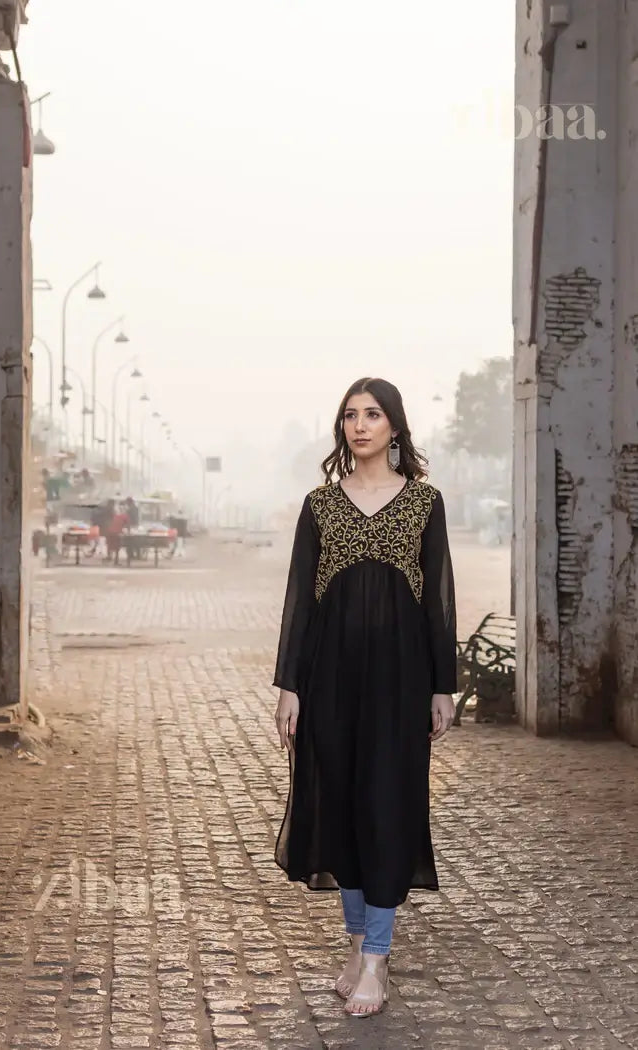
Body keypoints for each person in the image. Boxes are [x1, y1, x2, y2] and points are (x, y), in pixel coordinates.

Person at [272, 377, 458, 1019]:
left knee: (388, 806)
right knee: (344, 807)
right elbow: (299, 602)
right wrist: (289, 686)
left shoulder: (424, 504)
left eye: (373, 415)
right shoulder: (319, 506)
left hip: (401, 683)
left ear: (395, 427)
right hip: (330, 679)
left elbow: (439, 602)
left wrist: (443, 688)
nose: (360, 425)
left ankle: (377, 956)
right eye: (350, 415)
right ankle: (356, 945)